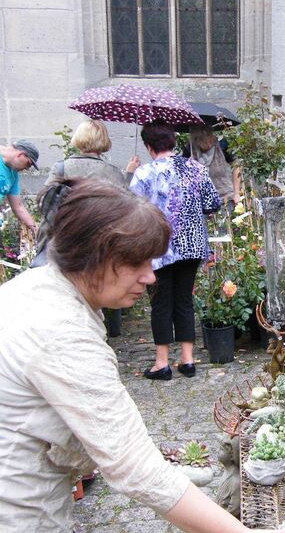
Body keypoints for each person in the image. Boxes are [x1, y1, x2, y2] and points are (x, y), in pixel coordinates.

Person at [0, 179, 285, 533]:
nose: (150, 276)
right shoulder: (59, 328)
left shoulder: (35, 291)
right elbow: (134, 468)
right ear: (94, 256)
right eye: (136, 262)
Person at [130, 122, 221, 380]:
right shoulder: (195, 167)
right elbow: (213, 203)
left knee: (160, 302)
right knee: (184, 299)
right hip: (192, 245)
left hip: (159, 246)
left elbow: (131, 209)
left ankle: (162, 363)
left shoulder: (145, 173)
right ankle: (188, 359)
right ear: (172, 141)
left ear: (149, 146)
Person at [34, 120, 135, 269]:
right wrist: (130, 174)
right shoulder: (113, 173)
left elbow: (44, 201)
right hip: (99, 242)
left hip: (64, 239)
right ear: (104, 140)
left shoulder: (61, 168)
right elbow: (125, 207)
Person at [189, 124, 241, 211]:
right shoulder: (190, 148)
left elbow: (236, 165)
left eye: (208, 139)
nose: (208, 144)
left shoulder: (222, 143)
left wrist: (236, 193)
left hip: (226, 199)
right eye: (202, 140)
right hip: (202, 203)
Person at [0, 139, 39, 232]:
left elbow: (18, 207)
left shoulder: (13, 175)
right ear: (20, 155)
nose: (27, 168)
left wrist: (36, 230)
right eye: (28, 164)